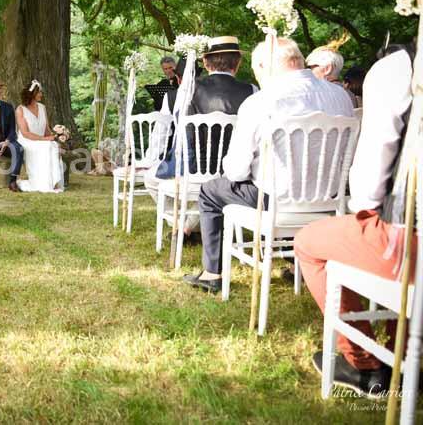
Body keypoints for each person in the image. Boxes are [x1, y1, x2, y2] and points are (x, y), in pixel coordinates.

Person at [184, 37, 354, 293]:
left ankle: (212, 273)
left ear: (264, 66)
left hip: (275, 199)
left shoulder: (261, 101)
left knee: (210, 191)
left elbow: (236, 170)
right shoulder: (341, 97)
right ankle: (299, 265)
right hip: (330, 197)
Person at [295, 46, 415, 397]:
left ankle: (363, 362)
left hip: (408, 237)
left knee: (308, 242)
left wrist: (364, 210)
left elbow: (372, 173)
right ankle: (401, 354)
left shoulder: (398, 69)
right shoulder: (346, 99)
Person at [146, 37, 256, 235]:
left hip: (192, 168)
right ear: (238, 63)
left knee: (151, 179)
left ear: (205, 62)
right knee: (208, 184)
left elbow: (180, 130)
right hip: (234, 171)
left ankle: (181, 225)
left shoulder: (187, 91)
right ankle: (189, 225)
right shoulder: (252, 91)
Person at [15, 79, 64, 193]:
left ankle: (54, 182)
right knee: (46, 147)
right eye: (39, 92)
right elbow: (25, 133)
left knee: (54, 146)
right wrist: (45, 139)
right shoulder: (20, 109)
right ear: (32, 94)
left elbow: (46, 129)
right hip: (27, 141)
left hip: (42, 140)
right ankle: (42, 183)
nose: (41, 94)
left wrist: (56, 136)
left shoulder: (42, 107)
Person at [307, 43, 359, 108]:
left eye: (312, 67)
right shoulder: (350, 94)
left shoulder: (318, 94)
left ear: (327, 68)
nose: (309, 71)